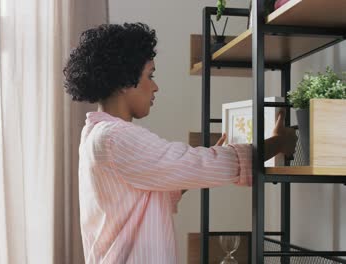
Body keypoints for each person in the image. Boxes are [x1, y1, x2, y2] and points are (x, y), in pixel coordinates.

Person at [63, 22, 297, 264]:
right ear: (124, 81)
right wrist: (279, 142)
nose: (155, 87)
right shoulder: (116, 138)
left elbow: (152, 189)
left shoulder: (96, 134)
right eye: (149, 75)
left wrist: (206, 161)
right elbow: (196, 164)